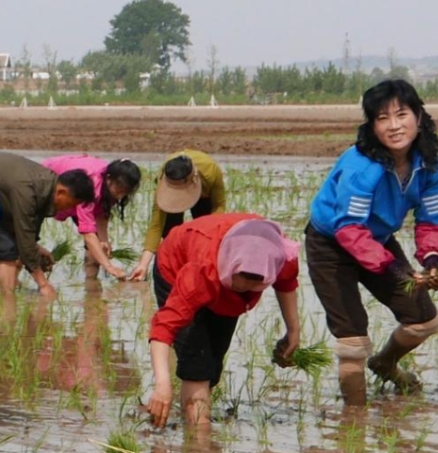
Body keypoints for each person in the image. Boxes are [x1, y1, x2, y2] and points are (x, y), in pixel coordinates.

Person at [305, 79, 438, 406]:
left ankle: (385, 362)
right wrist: (395, 268)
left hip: (378, 239)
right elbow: (348, 229)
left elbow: (430, 219)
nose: (394, 126)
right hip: (331, 243)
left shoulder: (430, 165)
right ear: (372, 126)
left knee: (424, 320)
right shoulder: (362, 165)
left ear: (419, 117)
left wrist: (431, 261)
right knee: (353, 340)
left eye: (401, 114)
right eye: (382, 118)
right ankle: (355, 423)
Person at [145, 213, 300, 430]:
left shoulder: (278, 255)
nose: (246, 287)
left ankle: (194, 416)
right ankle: (199, 440)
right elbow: (163, 329)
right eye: (242, 278)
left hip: (224, 292)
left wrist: (293, 330)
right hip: (176, 266)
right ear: (231, 263)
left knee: (214, 360)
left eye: (256, 284)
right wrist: (162, 386)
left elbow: (286, 283)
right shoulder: (201, 271)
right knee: (196, 362)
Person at [0, 152, 95, 299]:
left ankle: (7, 301)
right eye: (70, 204)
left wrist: (36, 247)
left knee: (7, 248)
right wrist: (43, 284)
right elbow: (24, 233)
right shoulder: (28, 189)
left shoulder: (47, 186)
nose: (68, 210)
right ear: (61, 193)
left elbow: (27, 228)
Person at [128, 149, 227, 281]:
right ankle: (175, 271)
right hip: (172, 191)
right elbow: (156, 225)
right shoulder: (164, 178)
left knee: (204, 231)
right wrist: (143, 265)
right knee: (170, 235)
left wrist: (210, 239)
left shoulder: (210, 171)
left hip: (203, 195)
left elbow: (218, 206)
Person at [41, 155, 142, 279]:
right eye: (119, 189)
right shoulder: (89, 188)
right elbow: (88, 233)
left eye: (125, 191)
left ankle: (91, 285)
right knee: (25, 236)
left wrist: (104, 240)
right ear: (108, 178)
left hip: (75, 196)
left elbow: (102, 212)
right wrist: (109, 266)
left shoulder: (111, 188)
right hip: (49, 183)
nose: (121, 195)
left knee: (97, 246)